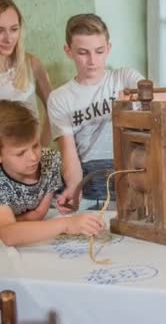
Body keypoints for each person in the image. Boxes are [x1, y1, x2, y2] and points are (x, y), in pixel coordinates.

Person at [48, 14, 145, 213]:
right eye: (83, 53)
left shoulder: (125, 78)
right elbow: (70, 156)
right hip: (90, 184)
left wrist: (132, 104)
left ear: (108, 48)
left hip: (133, 176)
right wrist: (74, 191)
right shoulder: (59, 98)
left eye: (99, 51)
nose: (92, 61)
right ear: (68, 51)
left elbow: (158, 105)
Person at [0, 100, 105, 246]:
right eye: (20, 153)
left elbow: (39, 215)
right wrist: (66, 225)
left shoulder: (50, 161)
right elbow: (8, 235)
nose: (34, 157)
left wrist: (14, 223)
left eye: (35, 145)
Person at [0, 0, 52, 146]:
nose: (9, 38)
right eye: (0, 30)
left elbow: (55, 110)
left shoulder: (32, 64)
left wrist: (41, 147)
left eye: (14, 29)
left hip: (31, 159)